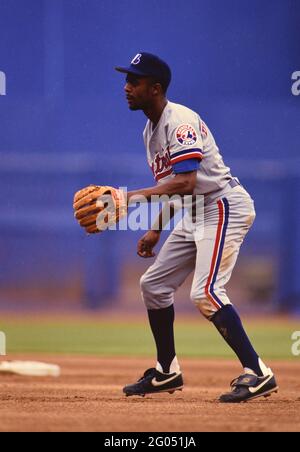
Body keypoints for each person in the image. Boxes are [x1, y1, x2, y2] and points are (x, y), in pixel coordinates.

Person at [115, 52, 278, 403]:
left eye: (135, 81)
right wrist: (156, 229)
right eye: (127, 79)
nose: (126, 87)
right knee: (154, 285)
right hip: (198, 211)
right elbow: (176, 186)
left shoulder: (180, 121)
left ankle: (258, 372)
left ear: (155, 88)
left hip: (223, 206)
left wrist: (129, 198)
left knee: (205, 293)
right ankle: (166, 371)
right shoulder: (150, 130)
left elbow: (186, 184)